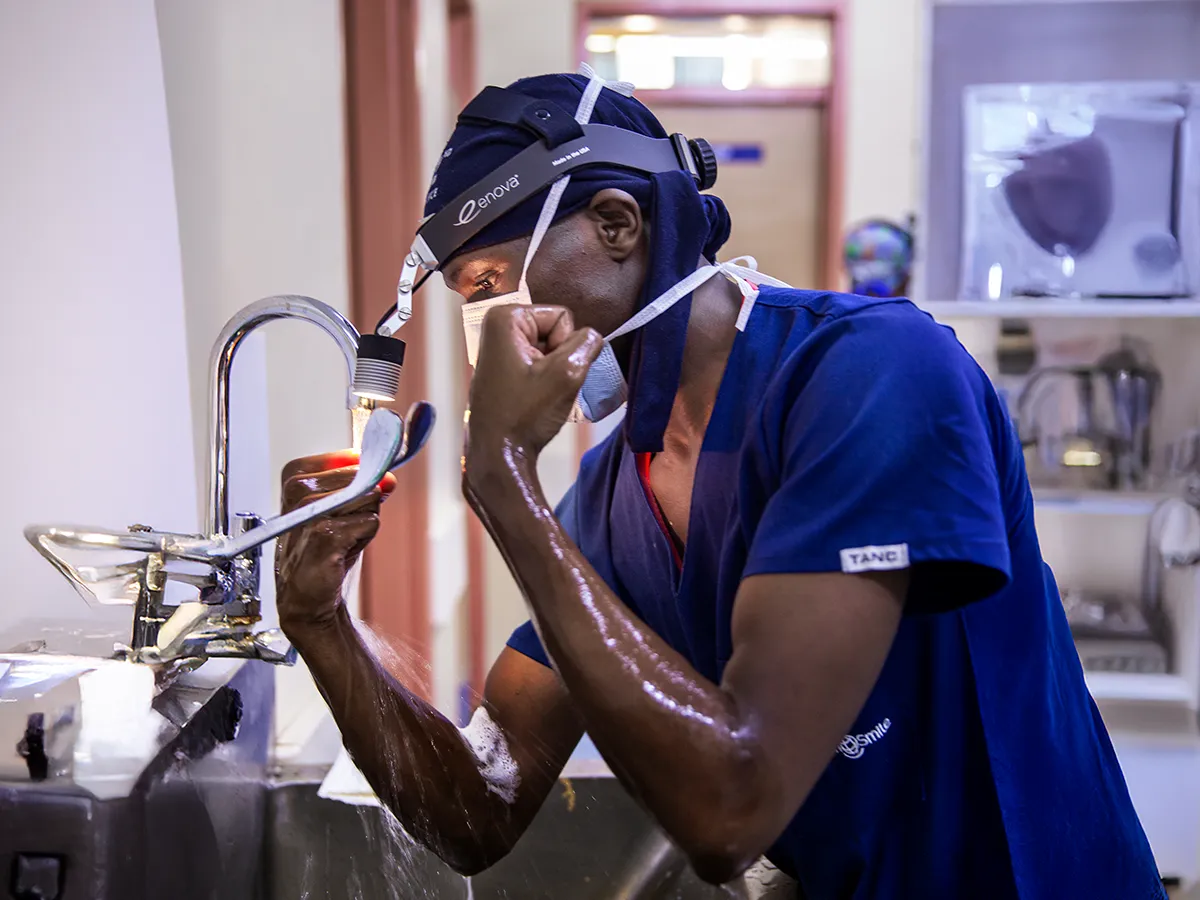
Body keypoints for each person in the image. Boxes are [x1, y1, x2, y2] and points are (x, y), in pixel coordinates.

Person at [275, 69, 1164, 899]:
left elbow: (733, 811)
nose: (481, 327)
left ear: (618, 225)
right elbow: (479, 810)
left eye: (489, 284)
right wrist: (321, 621)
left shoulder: (873, 375)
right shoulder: (611, 497)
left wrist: (505, 483)